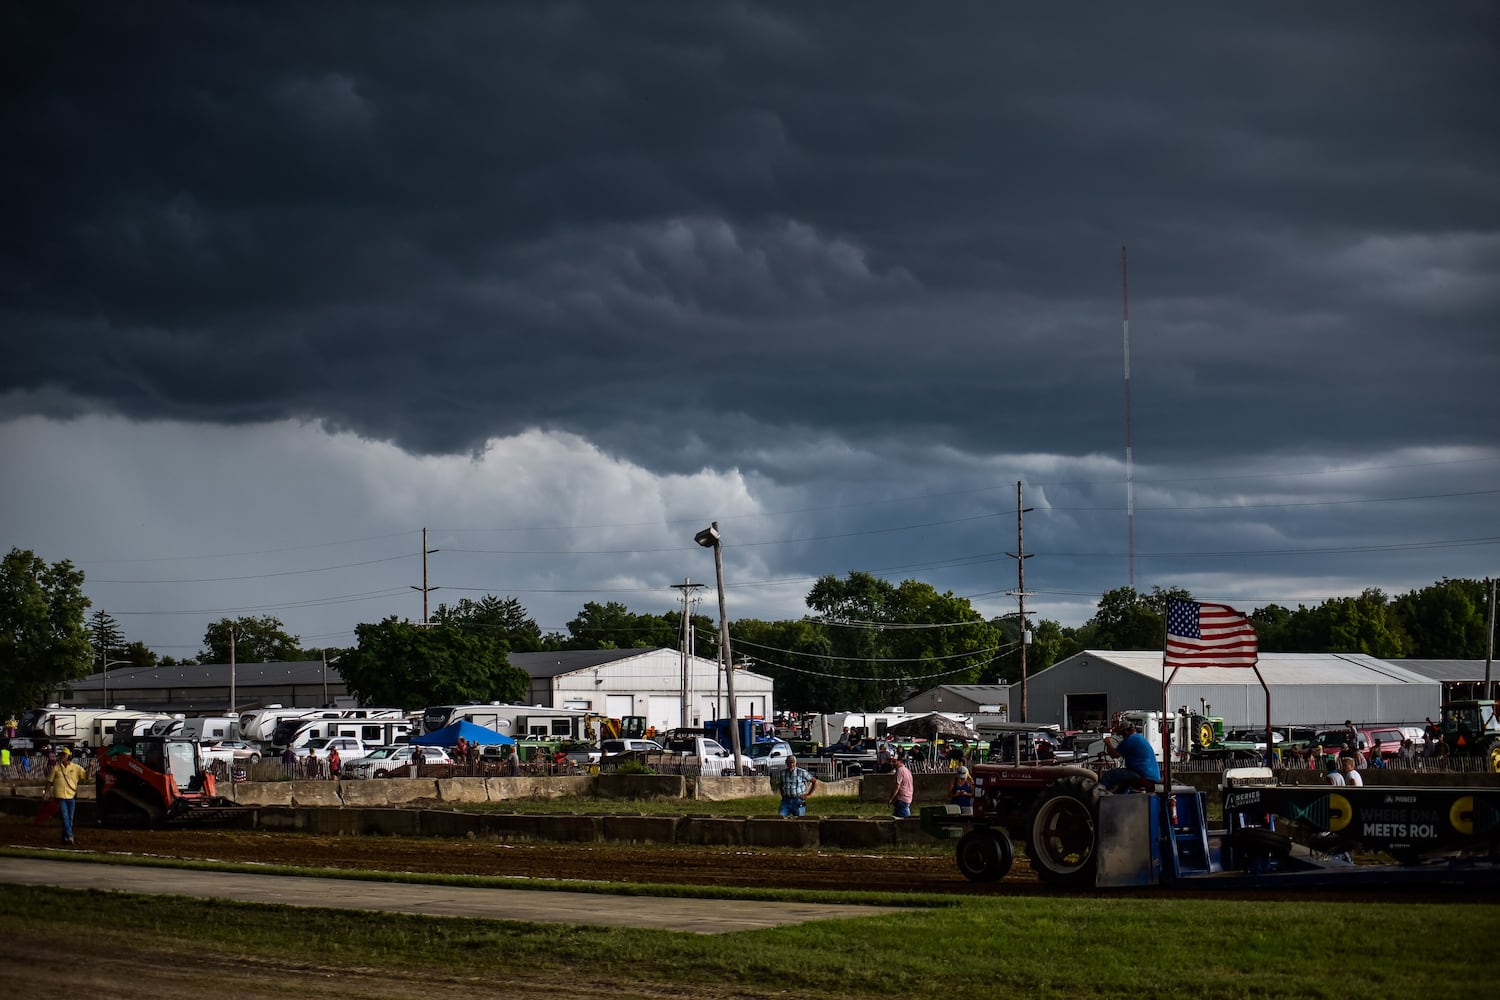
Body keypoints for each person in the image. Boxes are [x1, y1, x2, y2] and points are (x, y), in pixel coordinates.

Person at [1101, 722, 1161, 793]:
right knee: (1123, 783)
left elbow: (1114, 755)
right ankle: (1121, 798)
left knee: (1109, 775)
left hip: (1142, 775)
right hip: (1151, 776)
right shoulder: (1139, 737)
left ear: (1126, 731)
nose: (1123, 737)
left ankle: (1101, 796)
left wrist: (1108, 743)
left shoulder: (1130, 739)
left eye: (1122, 735)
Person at [47, 746, 88, 845]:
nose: (62, 757)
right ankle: (70, 836)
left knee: (70, 818)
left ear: (68, 756)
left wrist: (90, 767)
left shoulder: (76, 768)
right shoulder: (56, 768)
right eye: (61, 755)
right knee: (65, 816)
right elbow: (49, 781)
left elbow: (86, 776)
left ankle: (65, 837)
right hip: (60, 796)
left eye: (64, 755)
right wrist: (46, 792)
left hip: (71, 795)